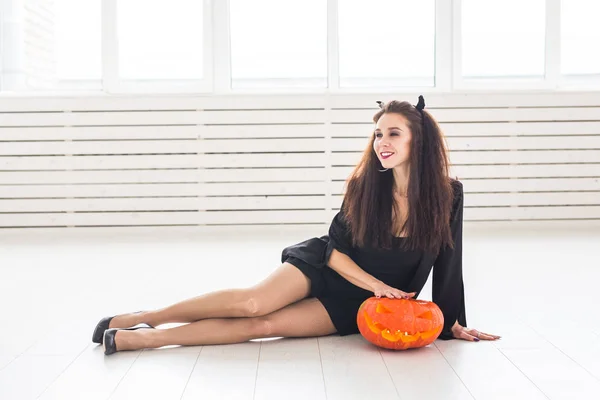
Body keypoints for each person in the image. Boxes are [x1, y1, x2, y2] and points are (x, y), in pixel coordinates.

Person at [95, 96, 500, 355]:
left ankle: (144, 340)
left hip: (354, 303)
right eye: (378, 133)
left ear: (419, 142)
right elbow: (334, 250)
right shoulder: (363, 186)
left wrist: (450, 323)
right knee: (253, 303)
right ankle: (146, 316)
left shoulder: (449, 194)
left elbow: (450, 261)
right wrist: (376, 284)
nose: (381, 141)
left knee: (263, 326)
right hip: (326, 268)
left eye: (393, 133)